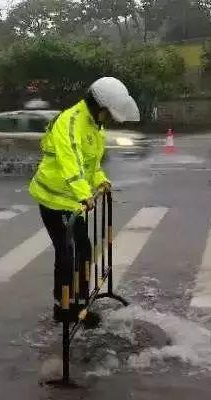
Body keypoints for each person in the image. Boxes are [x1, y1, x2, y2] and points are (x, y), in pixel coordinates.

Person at [29, 77, 140, 322]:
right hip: (53, 198)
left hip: (73, 202)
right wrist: (84, 193)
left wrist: (100, 180)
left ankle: (80, 305)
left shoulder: (92, 125)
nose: (109, 118)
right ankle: (63, 308)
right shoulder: (70, 122)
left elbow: (90, 163)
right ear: (98, 106)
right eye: (108, 113)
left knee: (84, 251)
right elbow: (71, 162)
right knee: (67, 254)